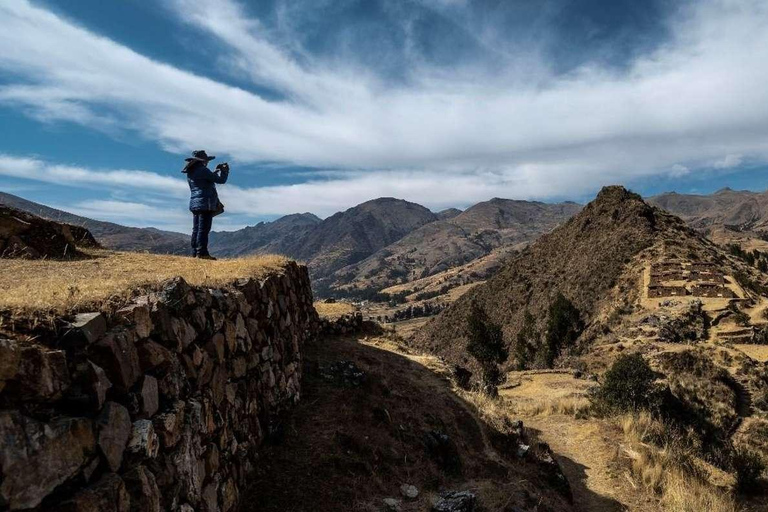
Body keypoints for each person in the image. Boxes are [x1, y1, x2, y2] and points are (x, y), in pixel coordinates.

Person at [182, 150, 229, 260]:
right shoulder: (203, 170)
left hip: (194, 203)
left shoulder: (191, 172)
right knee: (204, 229)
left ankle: (195, 252)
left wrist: (215, 171)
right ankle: (202, 253)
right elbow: (221, 180)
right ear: (203, 161)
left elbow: (205, 180)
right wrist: (224, 171)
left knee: (196, 228)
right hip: (205, 202)